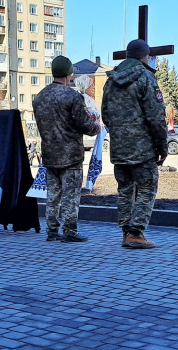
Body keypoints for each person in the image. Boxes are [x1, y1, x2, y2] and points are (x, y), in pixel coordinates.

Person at [101, 39, 168, 250]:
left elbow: (105, 115)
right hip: (143, 148)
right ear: (145, 57)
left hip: (119, 147)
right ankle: (136, 232)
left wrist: (120, 133)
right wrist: (162, 146)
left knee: (124, 189)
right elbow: (156, 116)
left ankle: (125, 232)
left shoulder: (110, 81)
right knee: (147, 187)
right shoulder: (146, 78)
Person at [31, 56, 100, 243]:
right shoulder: (72, 96)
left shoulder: (39, 98)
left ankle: (51, 231)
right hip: (71, 155)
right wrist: (97, 126)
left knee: (52, 195)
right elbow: (84, 124)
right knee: (71, 195)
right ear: (68, 74)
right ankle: (70, 231)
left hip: (50, 155)